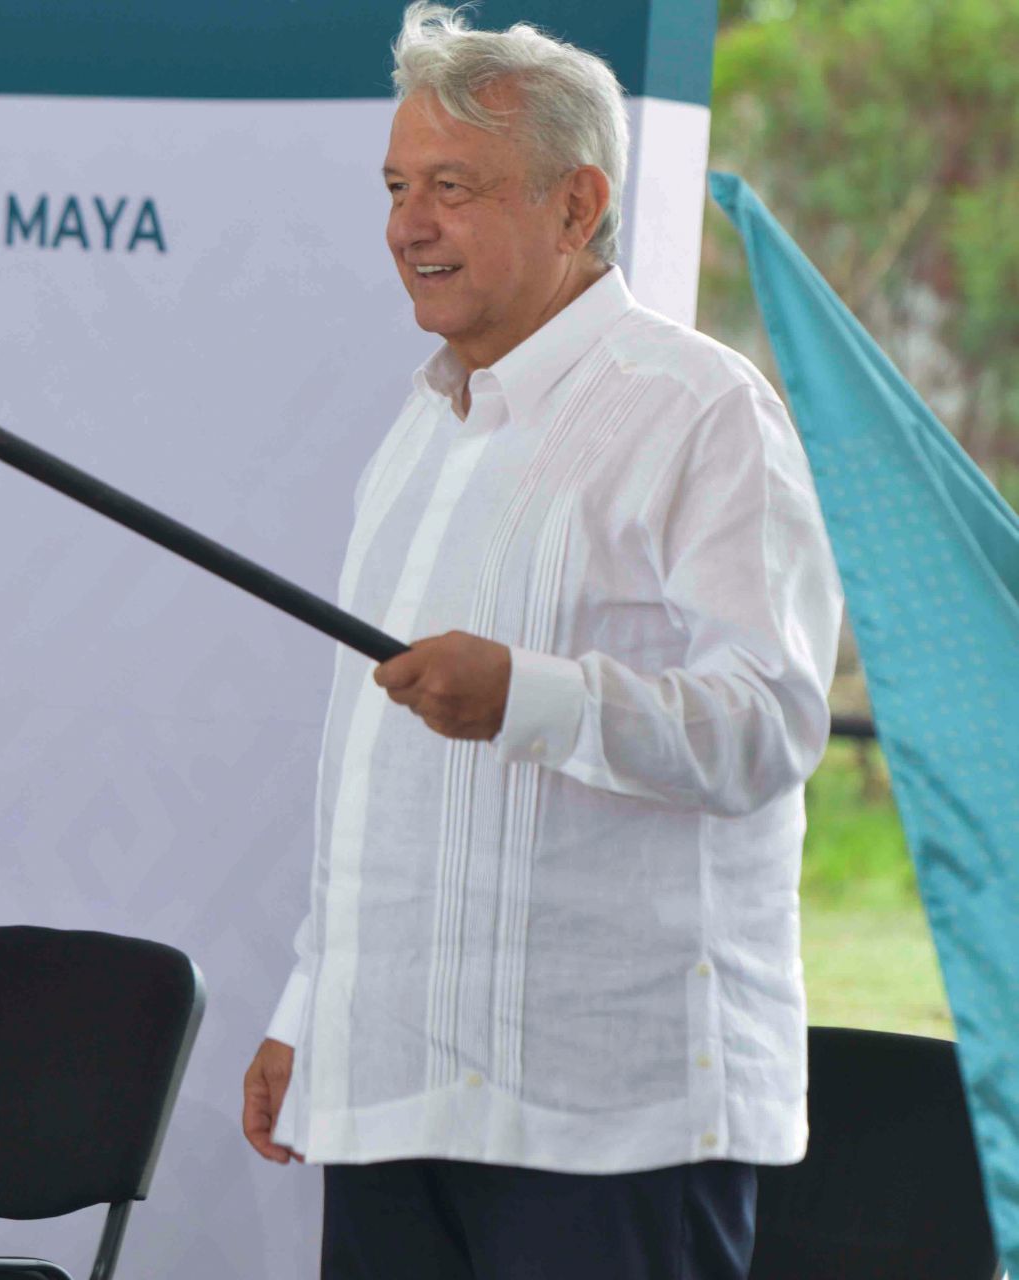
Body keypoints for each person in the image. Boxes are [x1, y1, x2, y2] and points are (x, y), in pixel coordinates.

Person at [240, 7, 842, 1276]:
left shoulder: (698, 410)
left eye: (451, 188)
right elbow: (373, 775)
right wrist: (313, 1007)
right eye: (396, 187)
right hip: (393, 1090)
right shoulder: (419, 432)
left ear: (578, 205)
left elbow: (772, 719)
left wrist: (530, 694)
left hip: (609, 1115)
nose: (407, 226)